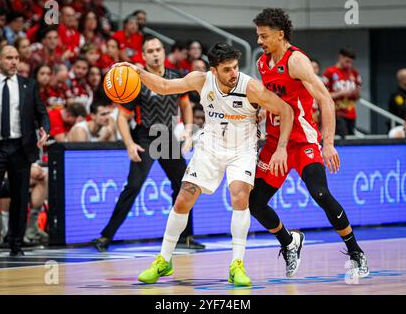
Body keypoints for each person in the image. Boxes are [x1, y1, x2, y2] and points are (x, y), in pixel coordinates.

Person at [116, 41, 294, 286]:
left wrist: (281, 148)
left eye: (235, 67)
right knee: (182, 199)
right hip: (210, 147)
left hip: (241, 150)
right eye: (227, 69)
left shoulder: (250, 87)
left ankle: (237, 265)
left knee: (239, 195)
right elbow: (166, 86)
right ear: (214, 70)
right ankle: (164, 260)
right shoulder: (201, 80)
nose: (234, 73)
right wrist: (137, 72)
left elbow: (286, 111)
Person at [250, 8, 369, 278]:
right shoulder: (262, 63)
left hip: (303, 140)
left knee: (321, 194)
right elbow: (270, 98)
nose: (259, 41)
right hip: (275, 143)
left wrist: (327, 144)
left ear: (280, 35)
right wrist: (259, 112)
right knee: (254, 203)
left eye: (264, 36)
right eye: (258, 36)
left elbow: (326, 100)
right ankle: (290, 242)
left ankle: (355, 251)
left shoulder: (297, 61)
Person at [91, 36, 200, 252]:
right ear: (144, 56)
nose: (155, 54)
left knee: (185, 186)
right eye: (150, 51)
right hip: (145, 137)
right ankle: (105, 236)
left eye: (158, 49)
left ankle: (185, 237)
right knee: (133, 186)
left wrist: (188, 131)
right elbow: (121, 117)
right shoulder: (136, 81)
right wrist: (130, 144)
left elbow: (186, 105)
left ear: (163, 52)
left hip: (167, 137)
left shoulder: (175, 76)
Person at [0, 45, 49, 257]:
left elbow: (41, 113)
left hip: (21, 147)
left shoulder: (29, 85)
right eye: (9, 58)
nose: (14, 62)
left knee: (20, 197)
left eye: (17, 58)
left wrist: (45, 129)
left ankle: (16, 244)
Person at [323, 47, 362, 138]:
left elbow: (358, 96)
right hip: (336, 113)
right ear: (340, 57)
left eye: (351, 62)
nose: (349, 65)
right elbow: (324, 95)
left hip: (351, 113)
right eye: (347, 61)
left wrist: (356, 93)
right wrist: (341, 93)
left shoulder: (354, 73)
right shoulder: (330, 72)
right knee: (342, 138)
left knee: (351, 138)